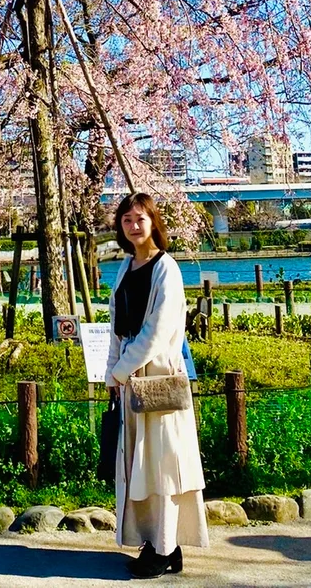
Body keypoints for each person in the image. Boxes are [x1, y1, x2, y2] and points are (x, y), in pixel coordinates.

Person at [105, 192, 208, 579]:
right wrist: (112, 371)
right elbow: (118, 325)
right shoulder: (126, 267)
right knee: (139, 465)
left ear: (153, 223)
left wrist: (121, 370)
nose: (133, 225)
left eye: (140, 219)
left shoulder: (167, 268)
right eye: (127, 219)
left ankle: (165, 548)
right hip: (131, 380)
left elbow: (159, 330)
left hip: (158, 378)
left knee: (163, 464)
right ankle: (157, 541)